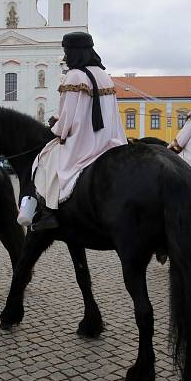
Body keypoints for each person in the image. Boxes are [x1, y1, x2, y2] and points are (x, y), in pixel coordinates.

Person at [28, 31, 127, 231]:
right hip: (110, 140)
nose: (66, 57)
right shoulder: (104, 76)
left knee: (47, 159)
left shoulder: (74, 76)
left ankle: (49, 213)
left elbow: (68, 118)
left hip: (85, 142)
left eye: (67, 52)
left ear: (73, 52)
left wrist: (57, 128)